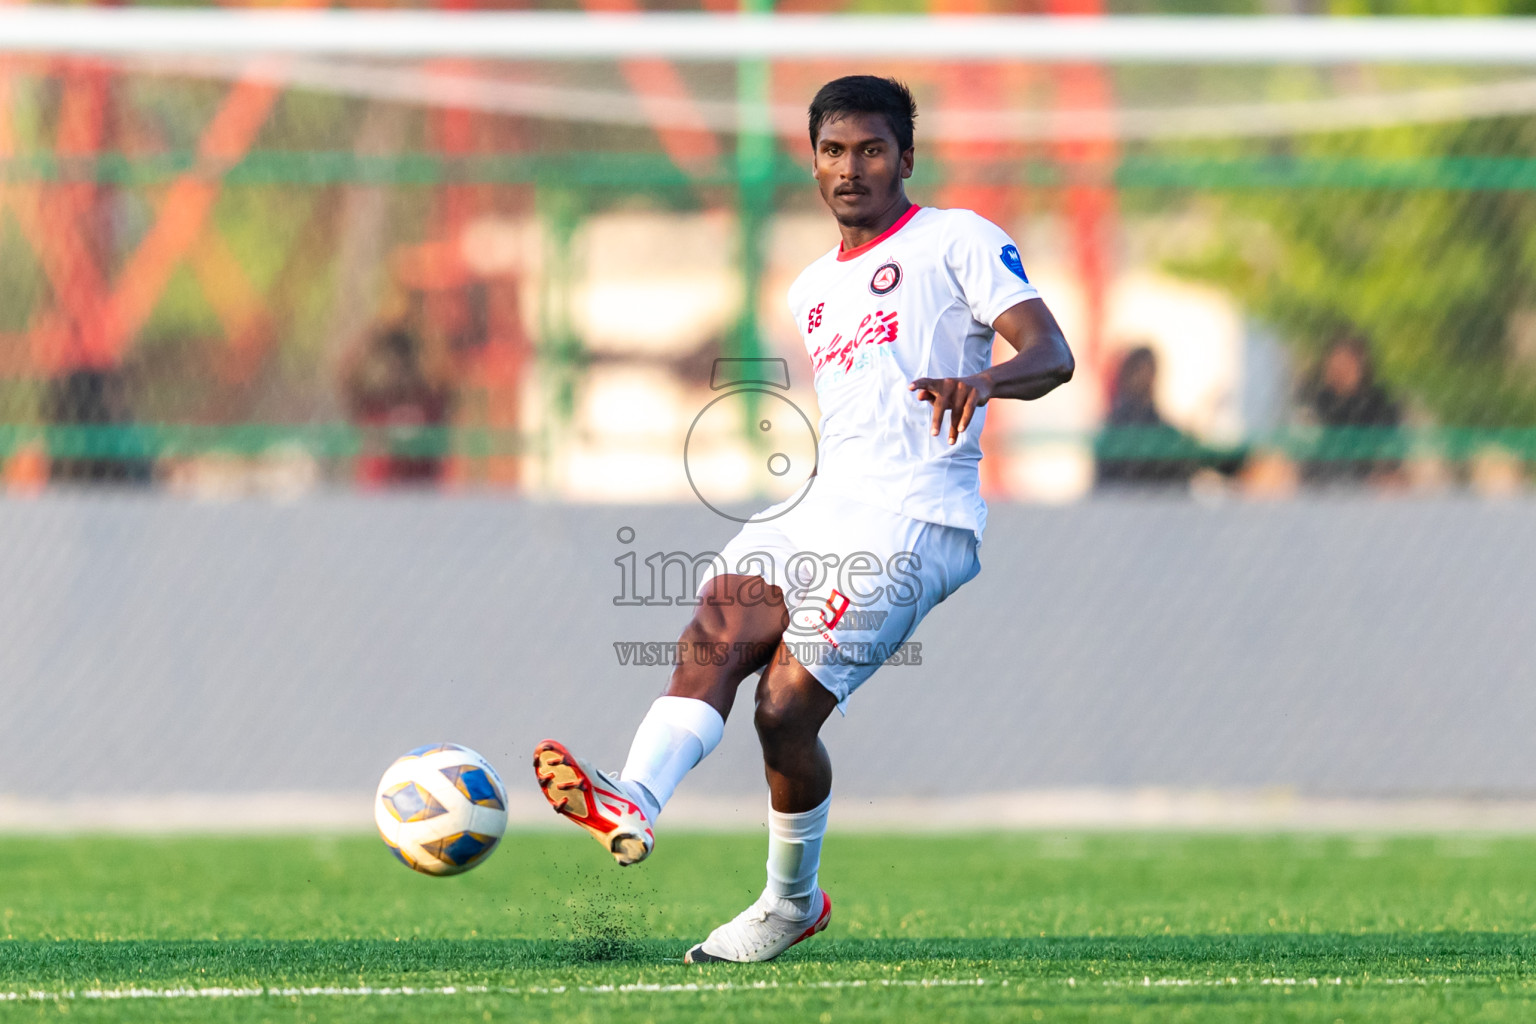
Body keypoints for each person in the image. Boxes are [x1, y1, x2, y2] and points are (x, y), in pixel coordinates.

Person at [532, 76, 1074, 963]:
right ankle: (633, 797)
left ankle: (789, 903)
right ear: (813, 161)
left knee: (783, 711)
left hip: (915, 518)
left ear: (906, 156)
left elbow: (1052, 353)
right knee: (718, 627)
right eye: (833, 151)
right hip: (822, 502)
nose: (851, 168)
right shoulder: (813, 288)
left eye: (870, 150)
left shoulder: (958, 240)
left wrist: (983, 382)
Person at [1297, 336, 1402, 486]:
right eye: (1336, 362)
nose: (1341, 369)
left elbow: (1390, 453)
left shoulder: (1380, 403)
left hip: (1368, 484)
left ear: (1362, 366)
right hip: (1318, 483)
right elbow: (1304, 445)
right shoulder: (1312, 400)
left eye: (1348, 362)